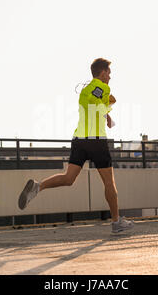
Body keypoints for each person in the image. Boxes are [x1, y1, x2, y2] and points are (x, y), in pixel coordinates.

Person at [18, 58, 134, 234]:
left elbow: (93, 107)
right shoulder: (102, 87)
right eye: (109, 73)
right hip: (96, 141)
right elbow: (104, 100)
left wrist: (107, 113)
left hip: (79, 139)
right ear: (102, 73)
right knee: (109, 182)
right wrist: (110, 103)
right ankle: (116, 222)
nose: (110, 76)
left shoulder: (85, 90)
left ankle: (38, 186)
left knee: (68, 178)